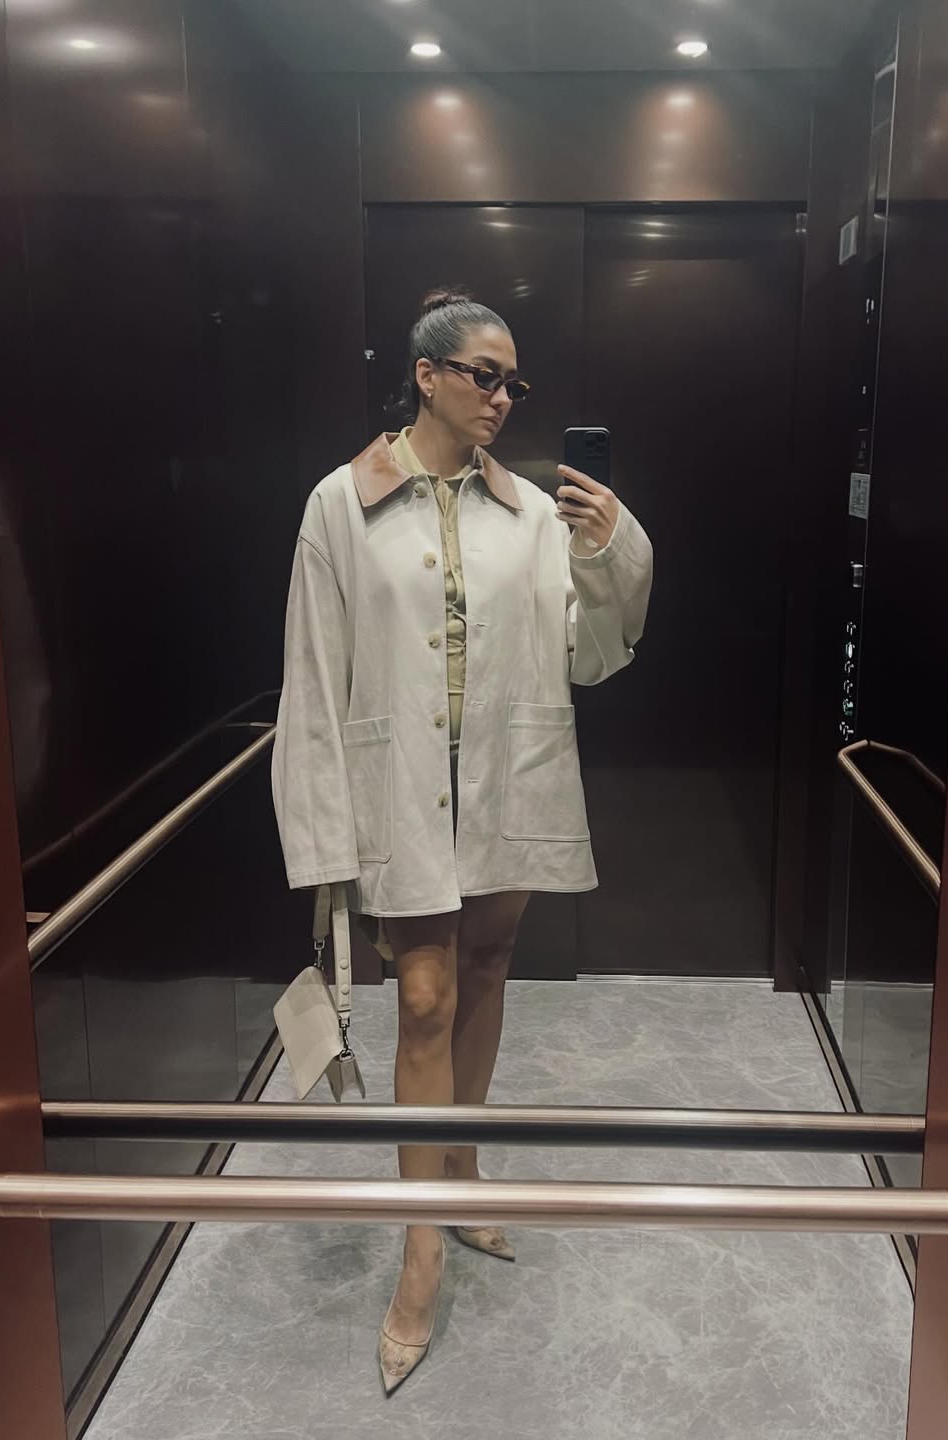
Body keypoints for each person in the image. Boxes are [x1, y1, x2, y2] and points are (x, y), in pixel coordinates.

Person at [271, 287, 653, 1395]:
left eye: (513, 382)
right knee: (425, 997)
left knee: (486, 969)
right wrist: (321, 840)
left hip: (501, 782)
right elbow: (312, 677)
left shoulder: (530, 514)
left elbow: (591, 652)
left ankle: (466, 1170)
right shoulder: (341, 504)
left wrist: (610, 549)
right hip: (397, 790)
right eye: (484, 375)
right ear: (426, 375)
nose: (502, 397)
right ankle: (421, 1245)